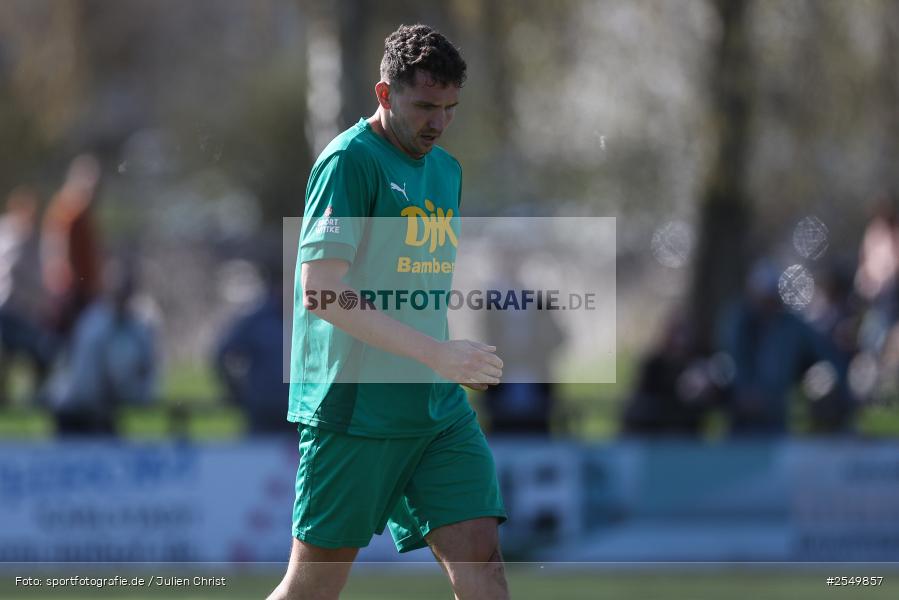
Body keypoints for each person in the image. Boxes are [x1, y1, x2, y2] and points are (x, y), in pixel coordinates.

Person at [269, 24, 509, 600]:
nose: (438, 122)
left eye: (450, 108)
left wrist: (445, 359)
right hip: (355, 411)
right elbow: (321, 290)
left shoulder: (446, 171)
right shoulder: (348, 162)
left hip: (436, 411)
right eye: (425, 106)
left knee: (484, 564)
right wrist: (437, 353)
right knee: (311, 589)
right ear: (384, 94)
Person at [43, 258, 157, 435]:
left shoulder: (138, 325)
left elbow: (147, 369)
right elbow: (91, 380)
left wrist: (140, 395)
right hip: (76, 412)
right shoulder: (95, 323)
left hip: (104, 412)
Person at [214, 258, 294, 436]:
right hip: (263, 415)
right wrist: (236, 392)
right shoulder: (255, 319)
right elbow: (223, 354)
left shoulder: (312, 318)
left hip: (301, 415)